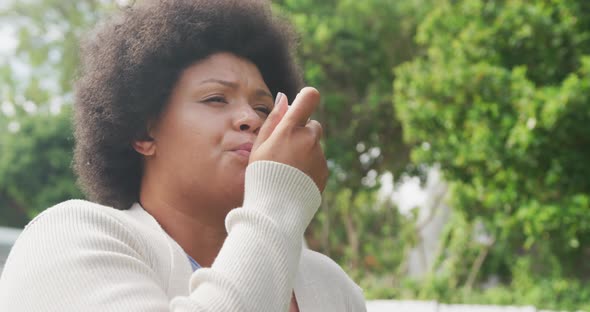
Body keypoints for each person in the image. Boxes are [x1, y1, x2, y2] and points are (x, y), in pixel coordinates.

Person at [0, 0, 366, 311]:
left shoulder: (330, 284)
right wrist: (278, 199)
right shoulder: (66, 241)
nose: (251, 119)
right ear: (143, 132)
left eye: (264, 107)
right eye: (216, 99)